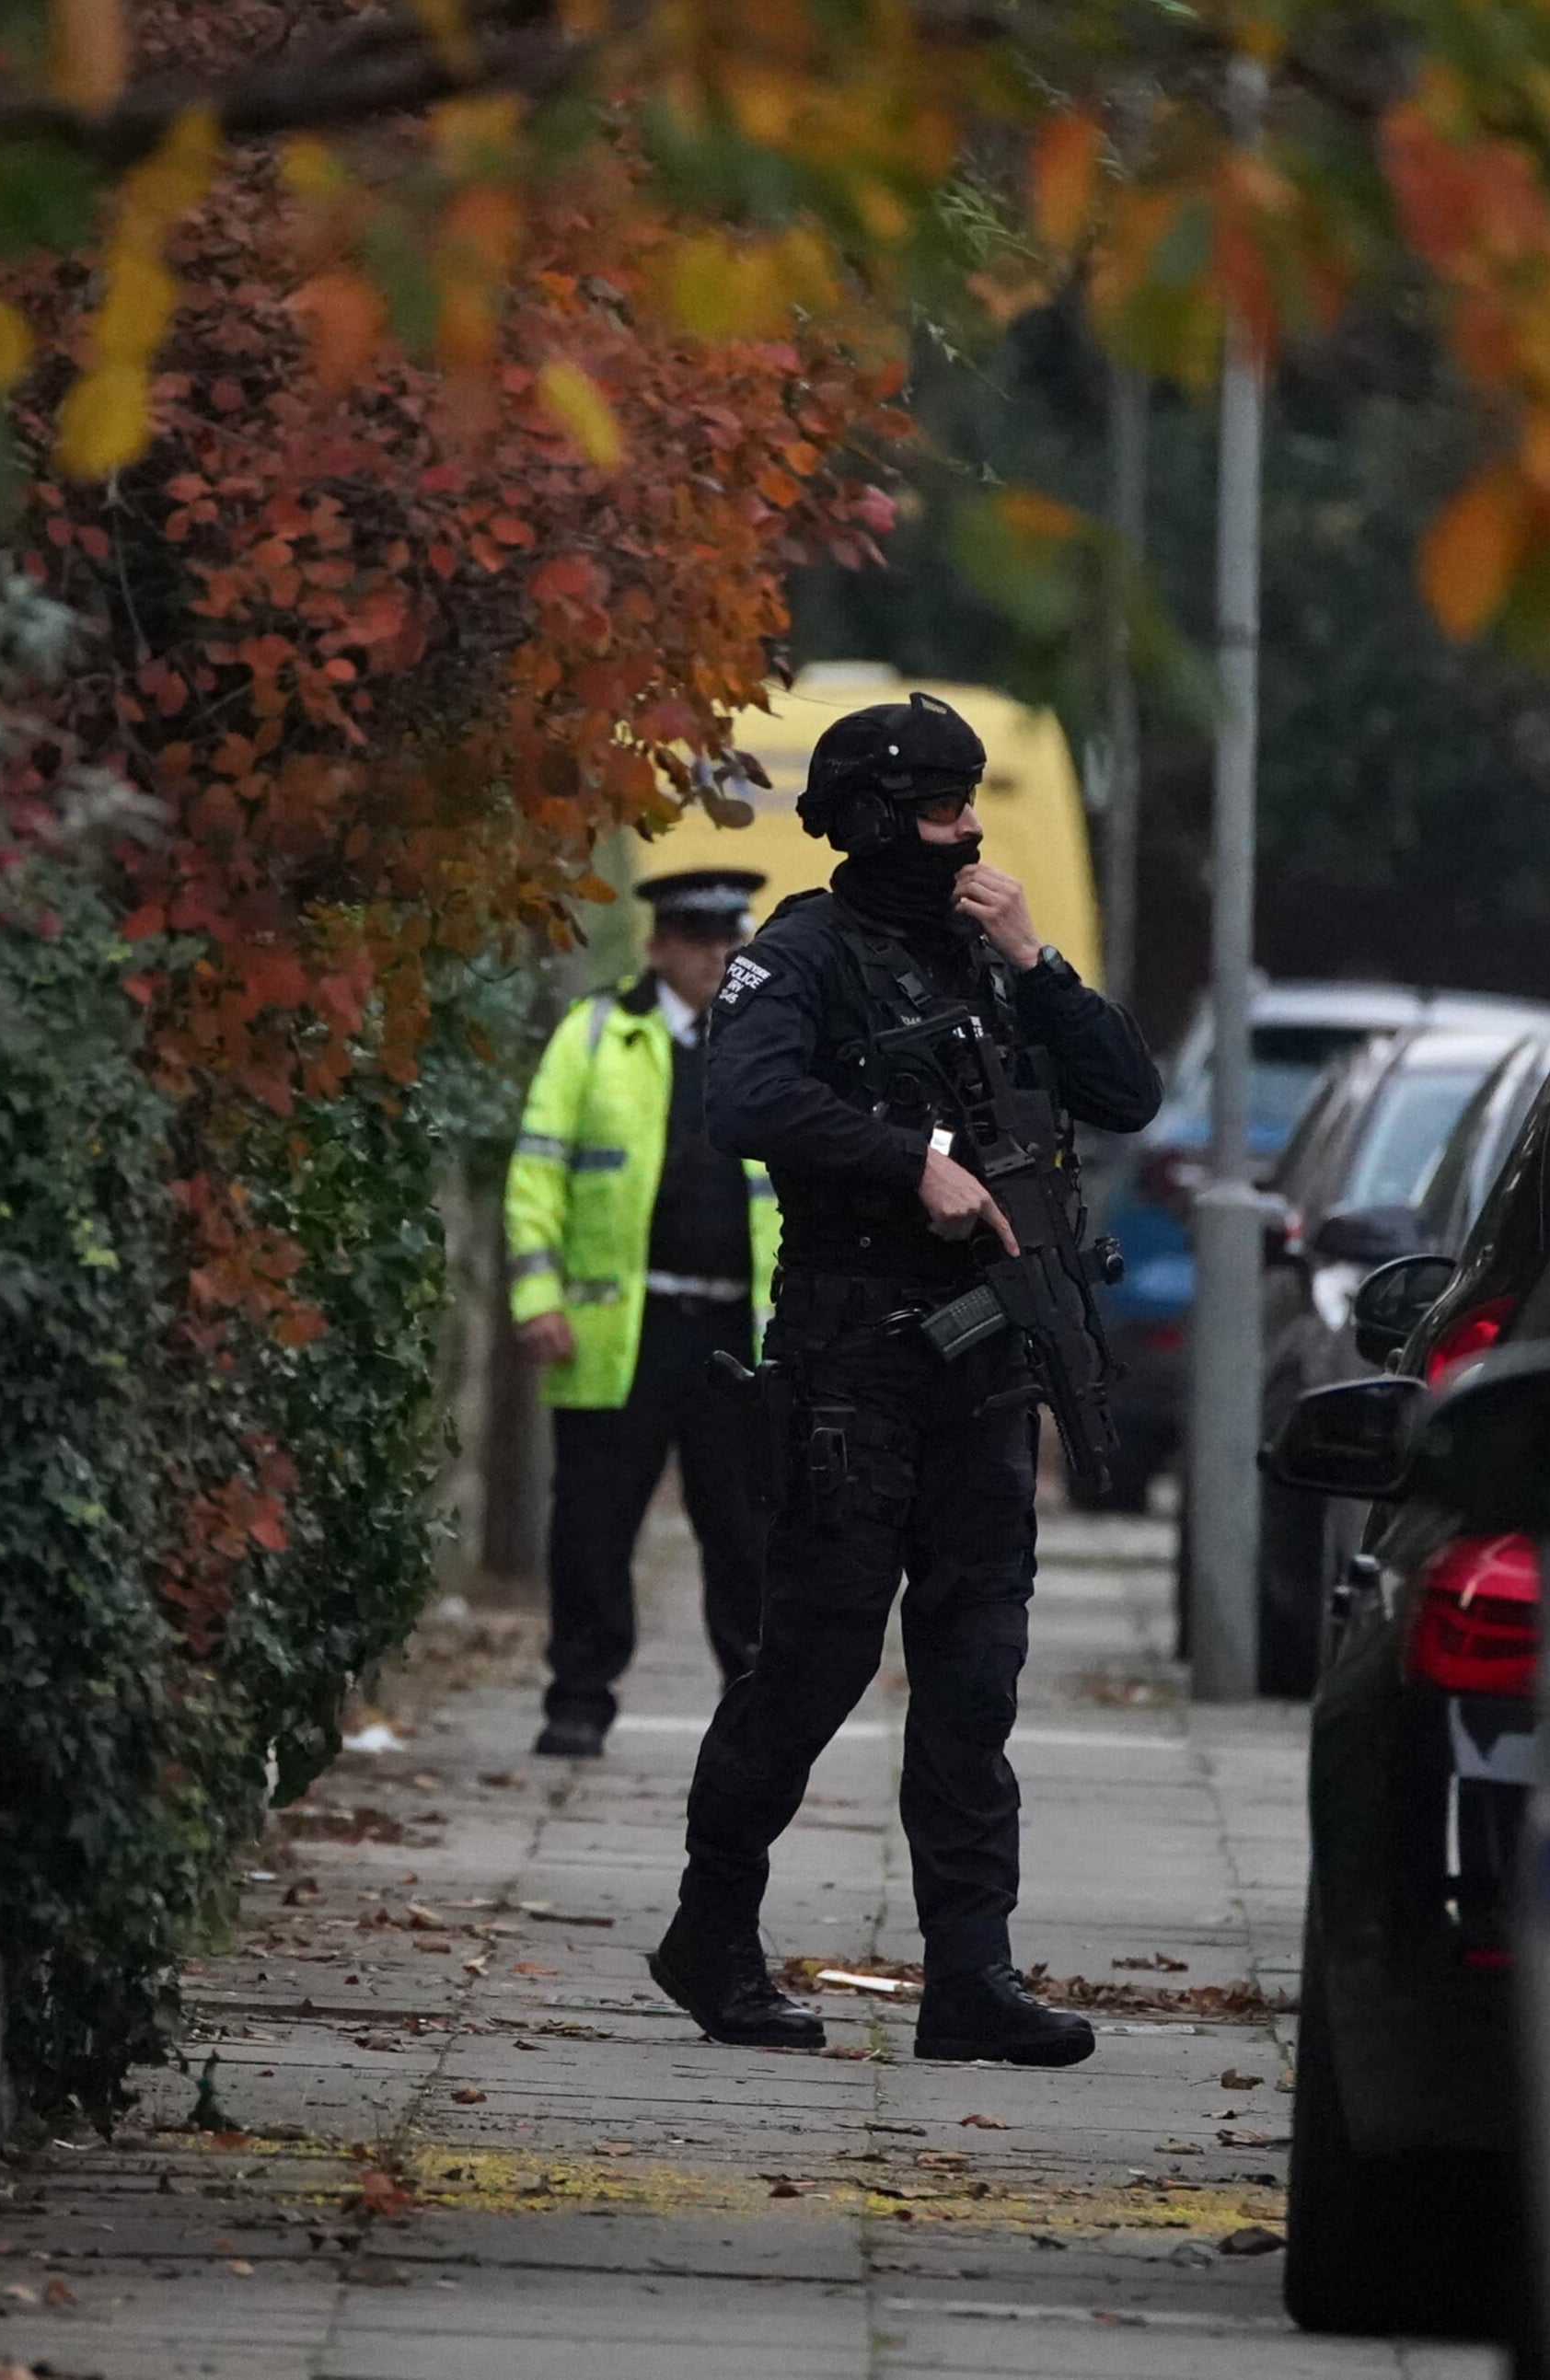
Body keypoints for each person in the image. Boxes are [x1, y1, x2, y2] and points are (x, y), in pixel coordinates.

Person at [648, 691, 1162, 2065]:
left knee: (975, 1674)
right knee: (811, 1664)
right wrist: (904, 1164)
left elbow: (1127, 1094)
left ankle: (970, 1974)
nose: (970, 829)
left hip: (982, 1372)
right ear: (875, 821)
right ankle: (712, 1928)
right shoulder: (799, 956)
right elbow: (744, 1101)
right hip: (851, 1365)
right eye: (942, 809)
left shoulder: (989, 955)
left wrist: (1038, 960)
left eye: (971, 803)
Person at [503, 868, 781, 1761]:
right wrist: (537, 1298)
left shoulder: (774, 1040)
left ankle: (757, 1708)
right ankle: (578, 1700)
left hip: (738, 1335)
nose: (716, 955)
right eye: (698, 938)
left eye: (730, 938)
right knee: (592, 1525)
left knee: (746, 1531)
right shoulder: (594, 1034)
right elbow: (538, 1170)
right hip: (621, 1327)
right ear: (657, 945)